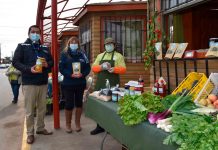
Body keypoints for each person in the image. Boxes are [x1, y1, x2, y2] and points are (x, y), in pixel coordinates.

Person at [12, 25, 54, 144]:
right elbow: (15, 62)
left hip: (43, 82)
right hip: (29, 83)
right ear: (29, 33)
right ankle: (30, 133)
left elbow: (52, 62)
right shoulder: (22, 46)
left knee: (42, 108)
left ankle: (40, 128)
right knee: (30, 111)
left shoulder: (44, 47)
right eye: (33, 32)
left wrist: (47, 64)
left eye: (37, 32)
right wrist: (28, 69)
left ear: (40, 34)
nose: (35, 34)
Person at [90, 37, 126, 135]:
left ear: (114, 46)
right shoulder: (100, 56)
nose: (108, 46)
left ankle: (111, 127)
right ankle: (99, 126)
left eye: (111, 44)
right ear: (104, 46)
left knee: (112, 106)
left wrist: (114, 69)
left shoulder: (119, 56)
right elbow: (93, 68)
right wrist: (101, 67)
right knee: (99, 105)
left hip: (113, 84)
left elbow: (123, 69)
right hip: (101, 83)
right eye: (107, 44)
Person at [59, 36, 91, 133]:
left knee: (79, 104)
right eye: (72, 42)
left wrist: (83, 74)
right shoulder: (64, 54)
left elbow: (88, 68)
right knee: (69, 104)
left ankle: (77, 123)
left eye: (75, 42)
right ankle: (68, 124)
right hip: (68, 83)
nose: (74, 44)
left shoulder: (83, 54)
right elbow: (61, 68)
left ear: (78, 44)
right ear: (68, 44)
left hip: (80, 83)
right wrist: (70, 74)